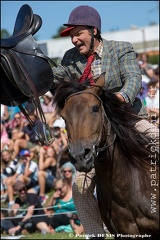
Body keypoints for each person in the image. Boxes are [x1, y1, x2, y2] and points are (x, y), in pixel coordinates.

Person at [51, 5, 159, 238]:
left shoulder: (121, 49)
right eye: (71, 36)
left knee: (158, 139)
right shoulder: (69, 59)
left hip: (127, 119)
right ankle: (95, 234)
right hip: (92, 131)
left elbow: (133, 78)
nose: (74, 40)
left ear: (94, 31)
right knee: (79, 188)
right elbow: (52, 77)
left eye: (78, 33)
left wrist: (119, 99)